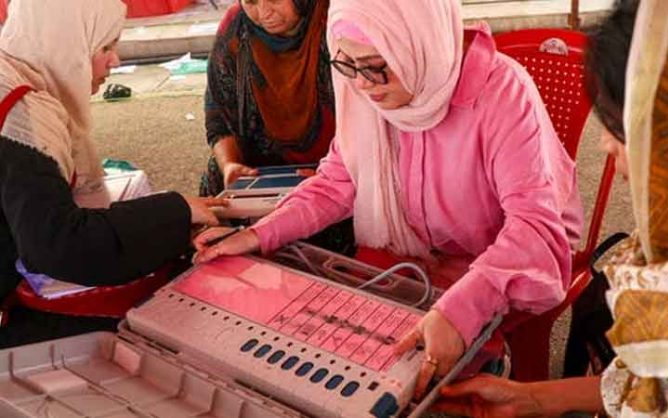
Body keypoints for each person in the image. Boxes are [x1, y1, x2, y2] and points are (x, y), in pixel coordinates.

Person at [194, 0, 584, 399]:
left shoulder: (502, 92)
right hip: (415, 243)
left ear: (417, 46)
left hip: (503, 254)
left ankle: (490, 361)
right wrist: (259, 235)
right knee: (342, 337)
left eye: (375, 66)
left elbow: (535, 230)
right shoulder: (366, 90)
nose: (361, 85)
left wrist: (458, 311)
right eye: (347, 66)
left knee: (419, 363)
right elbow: (337, 181)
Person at [431, 1, 668, 416]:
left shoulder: (502, 89)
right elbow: (654, 389)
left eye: (621, 128)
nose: (606, 147)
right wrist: (530, 398)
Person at [0, 0, 223, 348]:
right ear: (66, 42)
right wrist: (177, 212)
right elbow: (60, 246)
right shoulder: (22, 114)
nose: (115, 60)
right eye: (104, 46)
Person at [200, 0, 335, 197]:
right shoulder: (237, 28)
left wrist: (336, 171)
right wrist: (230, 164)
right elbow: (219, 112)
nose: (264, 14)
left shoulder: (336, 22)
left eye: (275, 0)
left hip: (342, 163)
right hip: (261, 167)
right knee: (217, 177)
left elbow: (372, 119)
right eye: (251, 2)